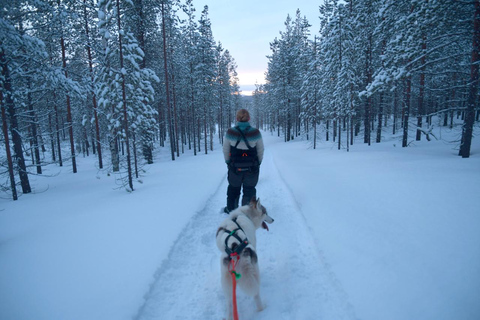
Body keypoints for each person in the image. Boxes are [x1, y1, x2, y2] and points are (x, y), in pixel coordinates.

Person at [223, 109, 264, 213]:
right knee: (249, 190)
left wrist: (228, 162)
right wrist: (258, 163)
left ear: (237, 119)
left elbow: (226, 149)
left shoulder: (231, 132)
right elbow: (260, 149)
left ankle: (231, 209)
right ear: (249, 118)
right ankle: (248, 212)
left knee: (233, 189)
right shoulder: (255, 132)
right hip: (252, 168)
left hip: (235, 168)